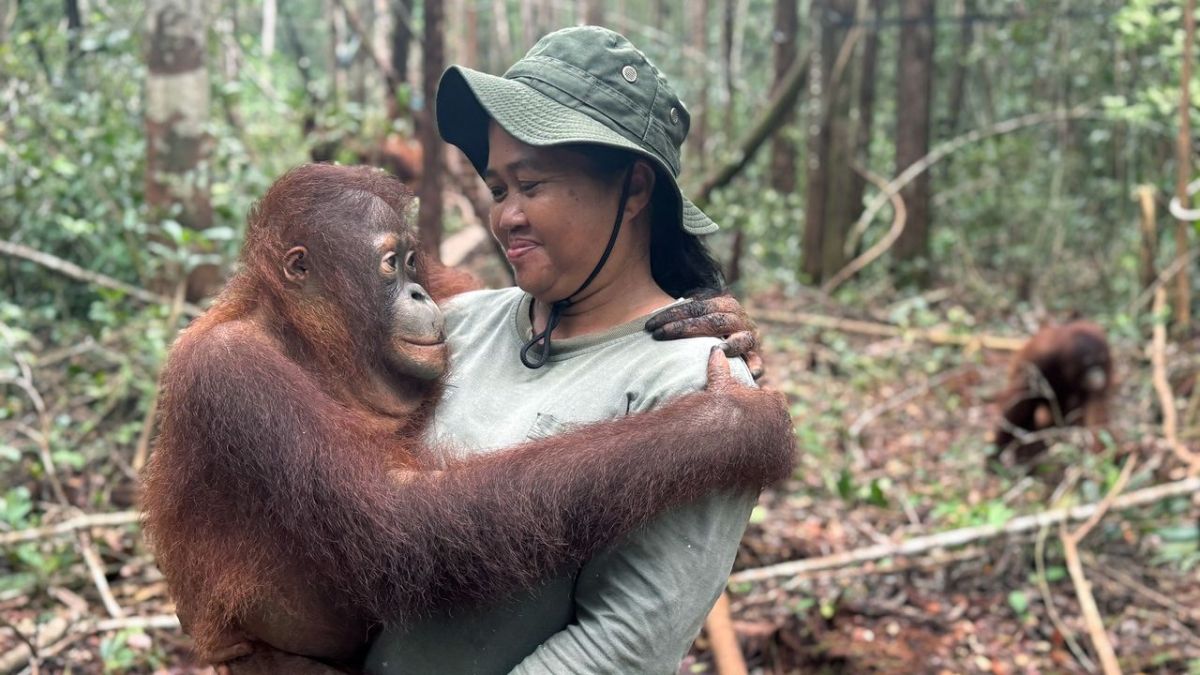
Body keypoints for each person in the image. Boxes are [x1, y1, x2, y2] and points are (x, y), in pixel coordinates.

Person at [366, 26, 786, 674]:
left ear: (635, 188)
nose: (506, 215)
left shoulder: (700, 392)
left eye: (530, 184)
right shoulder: (457, 323)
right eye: (499, 189)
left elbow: (624, 645)